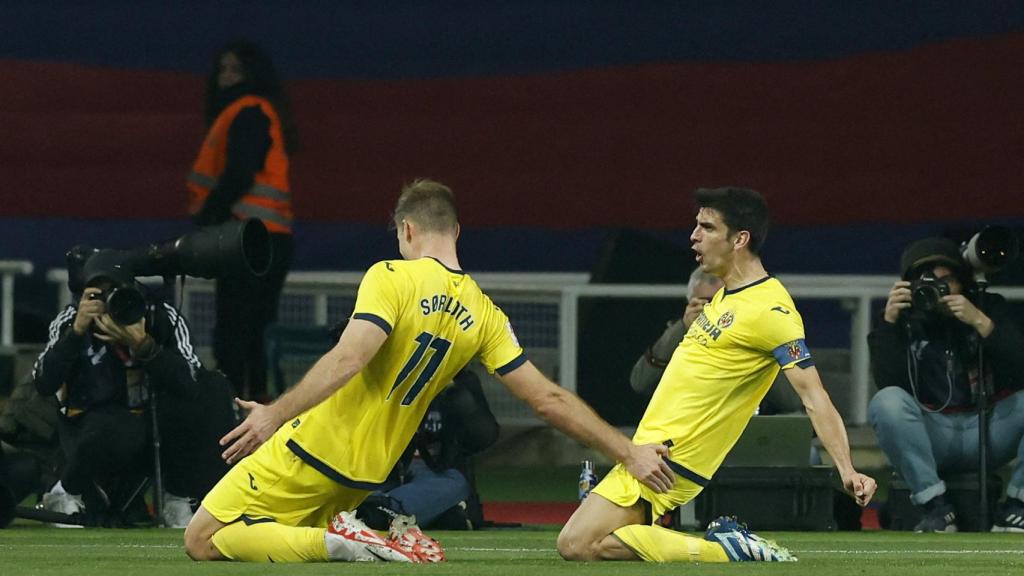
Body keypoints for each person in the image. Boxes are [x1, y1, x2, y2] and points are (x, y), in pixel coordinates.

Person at [183, 179, 674, 564]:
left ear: (407, 231)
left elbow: (349, 357)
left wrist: (272, 415)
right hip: (370, 471)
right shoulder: (485, 314)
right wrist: (626, 451)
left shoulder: (390, 276)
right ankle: (343, 536)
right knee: (278, 542)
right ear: (457, 231)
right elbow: (548, 399)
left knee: (203, 538)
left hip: (314, 446)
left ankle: (347, 543)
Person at [557, 187, 876, 563]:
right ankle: (706, 542)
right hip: (649, 450)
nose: (694, 236)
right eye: (696, 226)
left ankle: (724, 550)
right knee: (600, 541)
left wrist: (846, 468)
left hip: (671, 460)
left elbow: (814, 395)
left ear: (740, 239)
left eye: (707, 227)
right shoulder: (726, 295)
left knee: (577, 545)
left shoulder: (772, 310)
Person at [32, 248, 230, 527]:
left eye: (114, 292)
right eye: (97, 295)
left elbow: (191, 384)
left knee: (216, 388)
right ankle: (66, 489)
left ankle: (179, 497)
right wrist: (76, 333)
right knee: (115, 426)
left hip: (154, 430)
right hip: (93, 432)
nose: (108, 302)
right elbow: (43, 383)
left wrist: (143, 344)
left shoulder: (159, 316)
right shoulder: (72, 320)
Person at [868, 237, 1024, 533]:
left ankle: (1018, 508)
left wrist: (980, 322)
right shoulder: (903, 320)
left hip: (987, 429)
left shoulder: (986, 306)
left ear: (962, 282)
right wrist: (889, 323)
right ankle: (935, 507)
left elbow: (1019, 366)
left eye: (947, 280)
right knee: (886, 401)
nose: (939, 289)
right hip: (932, 432)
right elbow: (888, 384)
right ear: (909, 286)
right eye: (927, 281)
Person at [187, 40, 298, 400]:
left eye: (233, 69)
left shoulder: (246, 111)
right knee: (254, 334)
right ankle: (254, 410)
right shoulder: (259, 111)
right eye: (222, 68)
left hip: (249, 239)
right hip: (267, 237)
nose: (225, 77)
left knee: (237, 334)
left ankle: (235, 413)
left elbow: (239, 173)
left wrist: (208, 215)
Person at [356, 368, 498, 531]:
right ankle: (413, 513)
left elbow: (484, 439)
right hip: (385, 472)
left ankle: (378, 512)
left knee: (455, 483)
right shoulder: (383, 372)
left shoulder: (460, 378)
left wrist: (462, 400)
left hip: (436, 475)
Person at [630, 268, 723, 396]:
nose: (712, 309)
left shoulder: (748, 330)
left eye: (720, 301)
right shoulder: (676, 334)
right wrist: (683, 327)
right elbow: (640, 382)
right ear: (690, 303)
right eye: (706, 302)